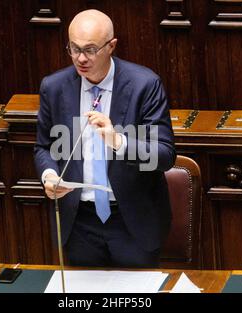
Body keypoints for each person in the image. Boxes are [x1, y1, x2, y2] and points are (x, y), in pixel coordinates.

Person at [34, 9, 176, 268]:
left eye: (90, 50)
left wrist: (119, 142)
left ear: (111, 46)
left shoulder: (145, 85)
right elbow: (44, 147)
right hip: (79, 222)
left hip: (131, 220)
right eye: (74, 48)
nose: (80, 58)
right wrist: (49, 176)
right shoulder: (53, 87)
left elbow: (165, 155)